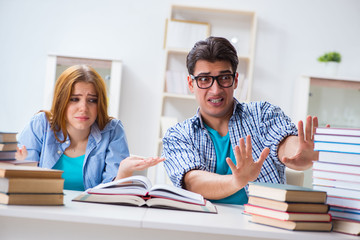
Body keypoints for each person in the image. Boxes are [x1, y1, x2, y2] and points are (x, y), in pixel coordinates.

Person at [162, 36, 322, 205]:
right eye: (204, 79)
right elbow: (192, 182)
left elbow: (285, 143)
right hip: (203, 225)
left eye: (224, 78)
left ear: (235, 80)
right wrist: (236, 181)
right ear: (191, 83)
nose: (215, 90)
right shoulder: (177, 135)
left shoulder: (262, 114)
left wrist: (300, 152)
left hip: (263, 226)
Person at [16, 64, 163, 191]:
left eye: (92, 100)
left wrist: (124, 171)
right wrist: (19, 167)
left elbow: (114, 199)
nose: (83, 108)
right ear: (61, 101)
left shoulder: (112, 131)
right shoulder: (40, 124)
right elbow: (21, 184)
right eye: (74, 99)